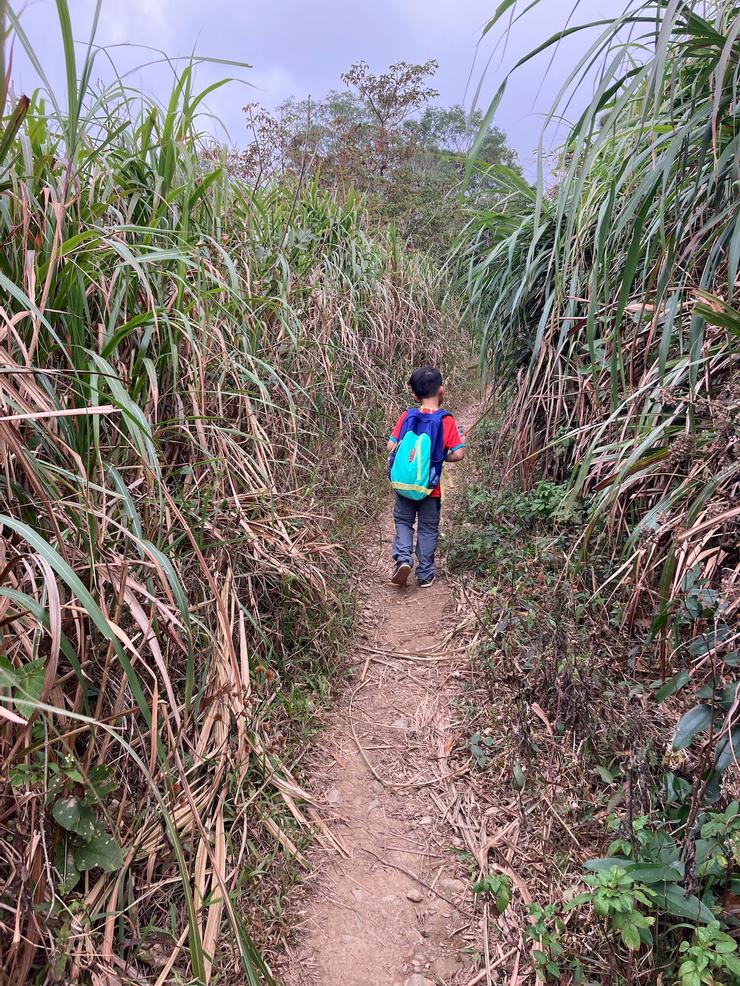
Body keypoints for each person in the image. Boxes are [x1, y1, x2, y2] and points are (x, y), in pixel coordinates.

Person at [387, 367, 465, 588]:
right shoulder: (445, 420)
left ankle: (403, 559)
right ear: (442, 390)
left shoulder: (408, 416)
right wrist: (440, 457)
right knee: (428, 528)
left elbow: (391, 445)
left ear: (415, 395)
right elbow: (458, 454)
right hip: (430, 489)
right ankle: (425, 573)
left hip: (403, 485)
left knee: (403, 521)